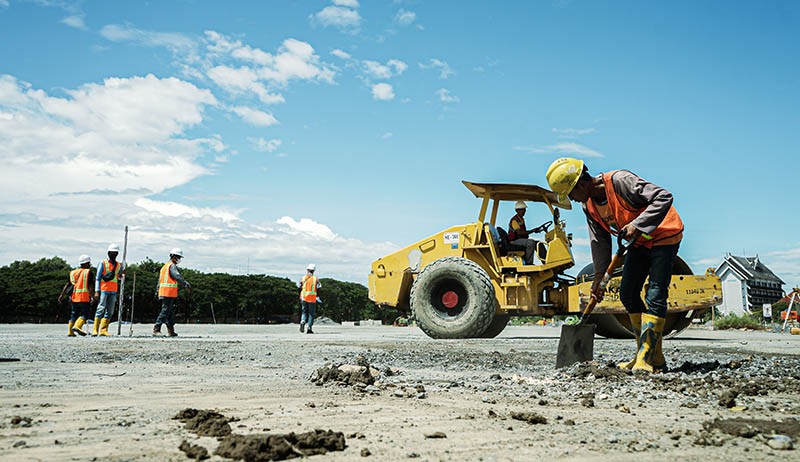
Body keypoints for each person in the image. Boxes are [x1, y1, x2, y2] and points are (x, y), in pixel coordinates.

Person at [546, 158, 683, 373]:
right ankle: (650, 355)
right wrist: (598, 278)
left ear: (580, 184)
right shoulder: (588, 206)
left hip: (664, 235)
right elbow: (599, 242)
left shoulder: (621, 181)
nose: (572, 199)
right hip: (639, 242)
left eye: (571, 194)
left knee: (655, 293)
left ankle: (645, 358)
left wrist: (637, 224)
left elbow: (663, 197)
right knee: (627, 293)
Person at [154, 248, 191, 337]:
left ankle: (171, 331)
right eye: (178, 257)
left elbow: (159, 280)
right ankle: (156, 328)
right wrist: (185, 283)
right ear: (173, 256)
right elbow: (177, 276)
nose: (179, 259)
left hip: (164, 292)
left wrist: (157, 290)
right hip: (168, 292)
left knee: (169, 312)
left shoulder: (164, 267)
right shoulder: (172, 266)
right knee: (165, 311)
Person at [58, 254, 95, 337]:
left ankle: (70, 332)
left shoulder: (73, 272)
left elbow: (67, 285)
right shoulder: (88, 272)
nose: (89, 265)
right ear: (86, 263)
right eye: (89, 263)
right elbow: (90, 286)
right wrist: (92, 296)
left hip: (74, 297)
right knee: (85, 314)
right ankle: (77, 326)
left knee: (74, 314)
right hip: (84, 297)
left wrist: (61, 295)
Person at [93, 243, 124, 337]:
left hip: (113, 290)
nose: (113, 254)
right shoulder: (103, 263)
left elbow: (118, 277)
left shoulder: (119, 265)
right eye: (112, 253)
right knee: (100, 308)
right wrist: (97, 291)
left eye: (115, 253)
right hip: (103, 289)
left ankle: (103, 330)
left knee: (110, 311)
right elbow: (98, 278)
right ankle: (95, 330)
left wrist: (122, 274)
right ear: (108, 253)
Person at [507, 200, 546, 265]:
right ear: (517, 210)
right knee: (530, 242)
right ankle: (529, 263)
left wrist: (534, 231)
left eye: (524, 210)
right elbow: (519, 232)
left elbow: (523, 232)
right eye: (522, 210)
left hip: (520, 239)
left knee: (539, 244)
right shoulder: (514, 220)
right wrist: (532, 231)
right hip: (514, 240)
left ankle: (546, 262)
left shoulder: (521, 219)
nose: (524, 211)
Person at [298, 264, 321, 334]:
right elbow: (319, 287)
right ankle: (309, 328)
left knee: (304, 312)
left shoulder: (303, 278)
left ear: (307, 270)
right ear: (313, 271)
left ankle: (303, 321)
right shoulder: (315, 279)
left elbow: (299, 286)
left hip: (304, 297)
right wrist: (318, 296)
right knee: (311, 314)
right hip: (312, 298)